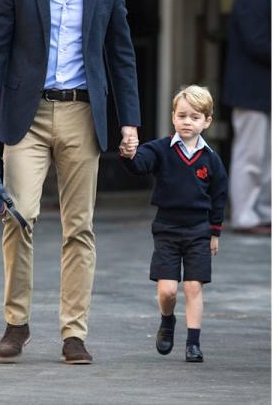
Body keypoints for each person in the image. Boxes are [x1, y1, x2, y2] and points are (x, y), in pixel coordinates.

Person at [0, 0, 141, 365]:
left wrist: (129, 119)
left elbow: (121, 54)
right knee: (19, 214)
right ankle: (17, 323)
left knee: (79, 227)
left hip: (84, 115)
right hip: (27, 114)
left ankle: (74, 333)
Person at [119, 85, 228, 362]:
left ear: (207, 121)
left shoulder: (211, 160)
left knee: (193, 286)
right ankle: (167, 320)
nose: (187, 122)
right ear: (173, 117)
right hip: (167, 229)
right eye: (182, 116)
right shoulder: (161, 149)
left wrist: (214, 232)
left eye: (194, 117)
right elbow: (141, 163)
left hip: (199, 231)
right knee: (167, 290)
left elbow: (219, 196)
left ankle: (193, 343)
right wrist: (131, 155)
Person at [223, 0, 271, 235]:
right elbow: (257, 43)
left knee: (266, 156)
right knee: (249, 155)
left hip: (261, 91)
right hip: (250, 90)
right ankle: (244, 214)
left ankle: (263, 211)